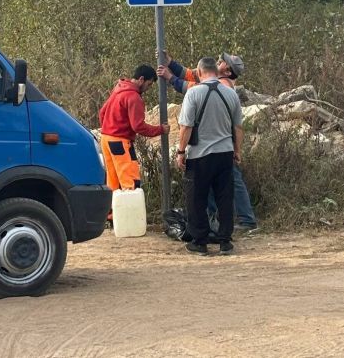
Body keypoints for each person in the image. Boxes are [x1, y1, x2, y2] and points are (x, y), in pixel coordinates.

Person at [158, 51, 258, 233]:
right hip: (223, 143)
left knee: (232, 181)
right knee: (222, 184)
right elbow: (193, 73)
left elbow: (190, 87)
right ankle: (218, 221)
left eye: (222, 62)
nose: (219, 61)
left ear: (227, 71)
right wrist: (171, 63)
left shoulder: (223, 84)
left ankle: (245, 220)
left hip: (216, 142)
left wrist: (170, 77)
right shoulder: (219, 82)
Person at [176, 57, 243, 256]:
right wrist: (237, 151)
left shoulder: (193, 93)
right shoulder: (230, 93)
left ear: (199, 71)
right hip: (224, 154)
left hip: (199, 155)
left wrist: (180, 152)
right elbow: (238, 127)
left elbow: (186, 127)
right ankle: (225, 242)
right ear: (216, 70)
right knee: (224, 197)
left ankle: (200, 241)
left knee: (197, 199)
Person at [99, 65, 170, 195]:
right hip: (120, 141)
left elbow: (102, 112)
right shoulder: (134, 97)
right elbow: (138, 126)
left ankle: (112, 214)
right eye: (148, 84)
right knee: (130, 181)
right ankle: (131, 214)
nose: (148, 89)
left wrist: (109, 128)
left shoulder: (118, 89)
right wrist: (160, 129)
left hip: (105, 139)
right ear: (141, 79)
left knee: (113, 180)